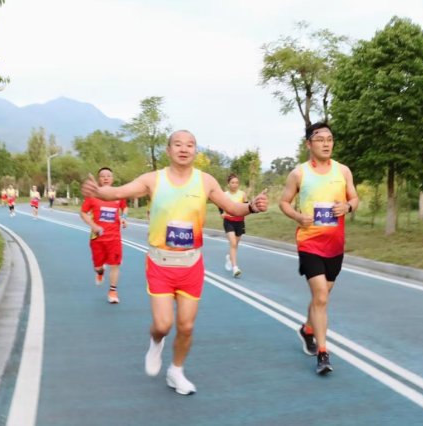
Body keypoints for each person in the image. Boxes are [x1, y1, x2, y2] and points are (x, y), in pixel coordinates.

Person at [83, 130, 268, 395]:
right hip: (160, 263)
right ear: (168, 151)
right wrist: (99, 191)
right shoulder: (153, 179)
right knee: (163, 325)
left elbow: (232, 208)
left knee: (186, 326)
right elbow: (117, 192)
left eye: (190, 145)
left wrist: (252, 207)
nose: (184, 149)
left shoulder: (205, 181)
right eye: (178, 144)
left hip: (191, 264)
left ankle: (176, 371)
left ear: (195, 151)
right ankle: (156, 342)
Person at [279, 122, 359, 375]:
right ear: (309, 144)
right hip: (309, 242)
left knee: (320, 298)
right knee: (321, 297)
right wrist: (298, 217)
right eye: (320, 139)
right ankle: (323, 354)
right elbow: (284, 202)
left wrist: (347, 207)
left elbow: (354, 198)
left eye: (330, 139)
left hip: (335, 245)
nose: (326, 144)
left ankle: (307, 329)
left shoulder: (343, 171)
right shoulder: (298, 174)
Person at [80, 168, 128, 303]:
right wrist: (93, 225)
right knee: (98, 267)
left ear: (112, 179)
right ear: (99, 180)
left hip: (114, 238)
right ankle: (100, 272)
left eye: (108, 175)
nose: (106, 178)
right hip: (97, 238)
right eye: (102, 176)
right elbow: (83, 212)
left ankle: (113, 291)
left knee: (115, 265)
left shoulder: (118, 195)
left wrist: (124, 217)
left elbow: (124, 207)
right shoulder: (92, 197)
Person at [218, 173, 248, 277]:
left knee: (235, 244)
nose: (234, 184)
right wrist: (221, 213)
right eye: (232, 183)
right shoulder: (224, 195)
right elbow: (220, 204)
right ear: (228, 184)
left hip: (239, 221)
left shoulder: (242, 194)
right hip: (228, 221)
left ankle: (229, 257)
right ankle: (235, 268)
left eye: (236, 183)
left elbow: (246, 207)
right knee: (233, 243)